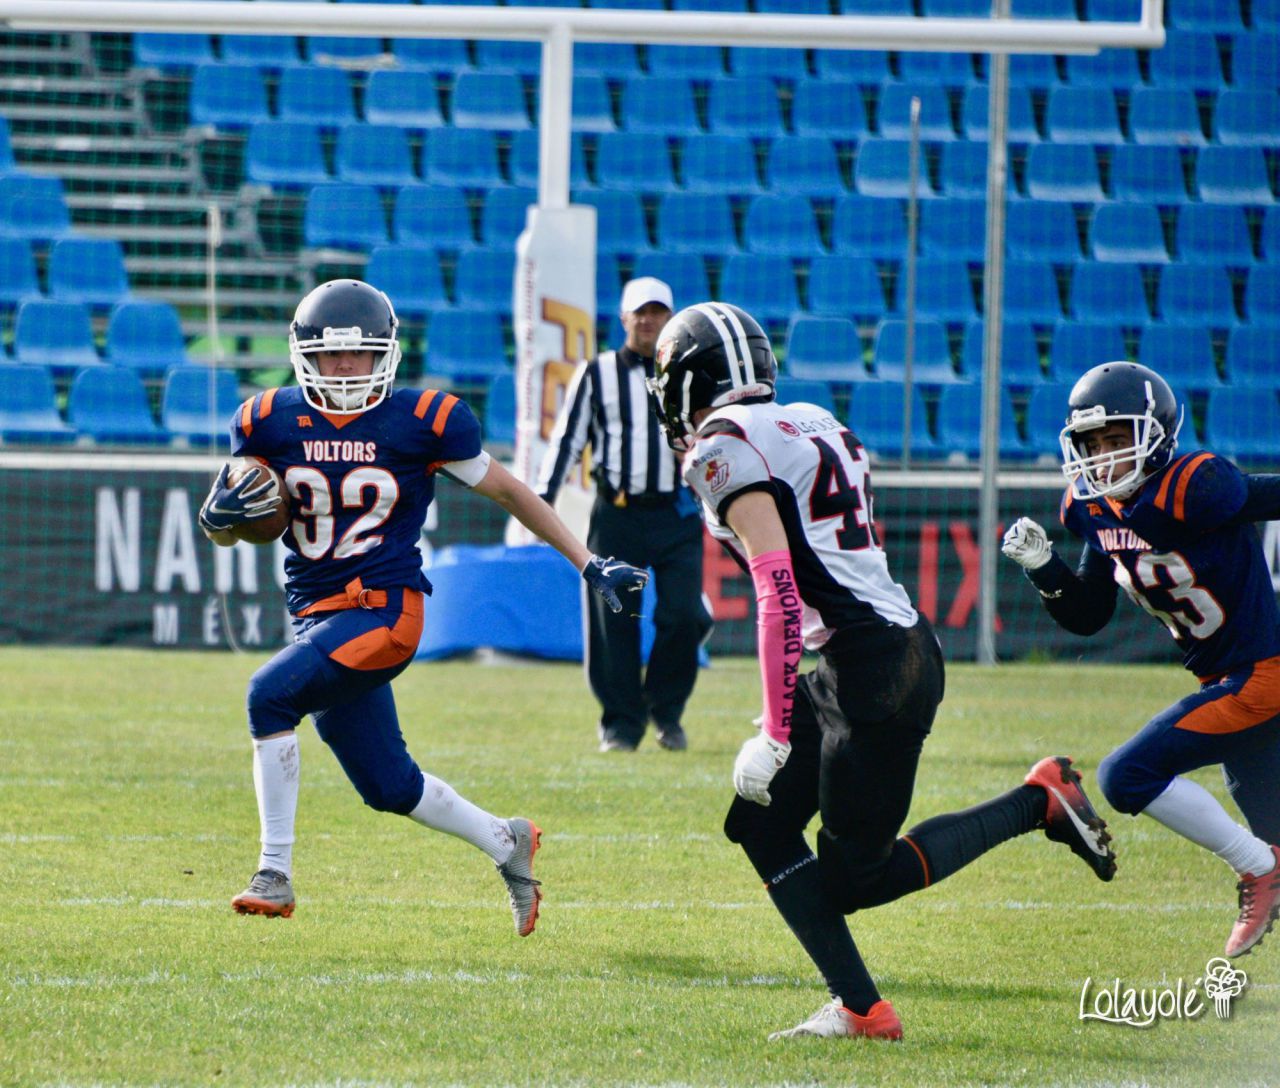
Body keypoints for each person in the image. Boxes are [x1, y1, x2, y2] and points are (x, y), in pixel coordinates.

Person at [647, 301, 1117, 1041]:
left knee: (854, 880)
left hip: (871, 671)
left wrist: (775, 728)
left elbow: (777, 586)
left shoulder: (723, 445)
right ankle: (862, 1008)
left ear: (688, 383)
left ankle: (1039, 802)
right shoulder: (809, 418)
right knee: (761, 823)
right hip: (861, 652)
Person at [198, 279, 647, 934]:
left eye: (359, 354)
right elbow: (247, 514)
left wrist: (586, 561)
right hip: (317, 616)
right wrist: (222, 521)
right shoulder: (265, 419)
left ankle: (274, 872)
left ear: (386, 355)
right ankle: (507, 841)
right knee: (388, 786)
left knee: (269, 695)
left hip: (386, 612)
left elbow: (510, 492)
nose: (346, 368)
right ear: (304, 357)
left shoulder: (424, 420)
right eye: (331, 356)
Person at [1002, 360, 1280, 959]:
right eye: (1090, 444)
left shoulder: (1195, 484)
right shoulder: (1091, 507)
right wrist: (1043, 567)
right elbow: (1087, 617)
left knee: (1125, 776)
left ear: (1155, 436)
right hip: (1228, 678)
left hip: (1262, 675)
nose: (1101, 457)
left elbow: (1267, 495)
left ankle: (1258, 869)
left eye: (1115, 440)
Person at [536, 276, 712, 753]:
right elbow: (569, 439)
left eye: (658, 311)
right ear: (624, 317)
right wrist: (541, 500)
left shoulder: (694, 372)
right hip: (616, 512)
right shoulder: (597, 373)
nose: (649, 319)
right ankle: (621, 723)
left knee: (683, 615)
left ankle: (665, 709)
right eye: (641, 311)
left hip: (677, 512)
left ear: (672, 318)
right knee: (615, 620)